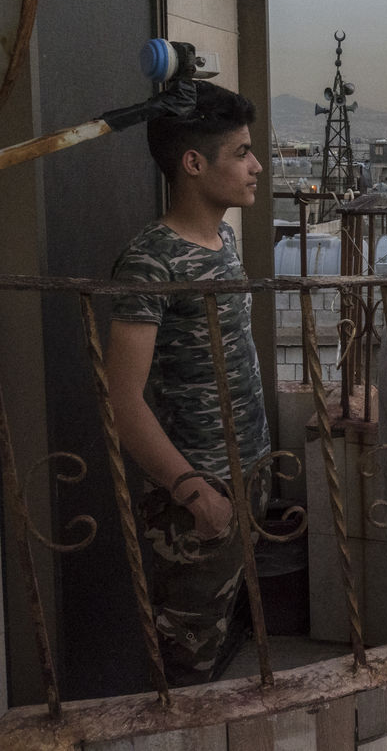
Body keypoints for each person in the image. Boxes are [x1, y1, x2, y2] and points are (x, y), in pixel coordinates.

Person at [105, 80, 269, 686]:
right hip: (199, 494)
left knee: (224, 640)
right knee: (184, 665)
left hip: (249, 474)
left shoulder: (225, 240)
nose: (256, 166)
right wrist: (194, 492)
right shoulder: (151, 261)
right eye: (241, 153)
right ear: (194, 164)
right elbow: (122, 401)